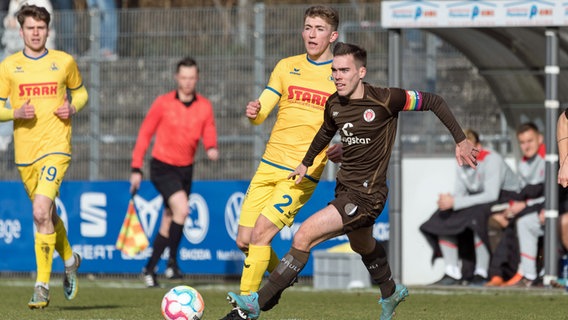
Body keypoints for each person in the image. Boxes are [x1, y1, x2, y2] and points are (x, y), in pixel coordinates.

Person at [225, 42, 479, 320]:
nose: (338, 76)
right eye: (334, 70)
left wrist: (461, 140)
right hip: (345, 190)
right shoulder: (334, 103)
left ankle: (255, 304)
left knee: (303, 235)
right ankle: (390, 290)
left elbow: (433, 101)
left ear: (361, 72)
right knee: (362, 245)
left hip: (368, 195)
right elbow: (324, 132)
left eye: (344, 70)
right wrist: (306, 162)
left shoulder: (386, 99)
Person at [220, 5, 342, 320]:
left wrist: (343, 147)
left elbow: (352, 122)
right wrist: (254, 113)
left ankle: (244, 308)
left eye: (319, 29)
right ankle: (282, 275)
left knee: (261, 234)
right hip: (268, 165)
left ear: (333, 35)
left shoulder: (339, 76)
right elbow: (262, 112)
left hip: (301, 172)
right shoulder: (286, 66)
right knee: (244, 241)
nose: (312, 34)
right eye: (307, 27)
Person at [0, 4, 88, 309]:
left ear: (47, 30)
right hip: (26, 155)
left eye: (40, 28)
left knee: (40, 212)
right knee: (47, 216)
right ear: (20, 29)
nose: (35, 33)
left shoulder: (63, 62)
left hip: (56, 147)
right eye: (30, 28)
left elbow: (81, 92)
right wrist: (15, 112)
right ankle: (70, 259)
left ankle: (41, 285)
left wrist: (72, 107)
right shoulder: (9, 66)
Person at [129, 57, 219, 288]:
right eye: (184, 77)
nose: (188, 82)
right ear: (177, 78)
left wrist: (211, 147)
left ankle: (149, 268)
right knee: (182, 209)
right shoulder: (163, 103)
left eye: (192, 78)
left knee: (170, 218)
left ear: (196, 78)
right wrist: (136, 167)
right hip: (162, 166)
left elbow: (208, 128)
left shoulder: (204, 105)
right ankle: (171, 262)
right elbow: (145, 134)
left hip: (186, 168)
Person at [420, 129, 521, 286]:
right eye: (460, 148)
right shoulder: (460, 163)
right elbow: (460, 194)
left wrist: (455, 202)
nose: (464, 152)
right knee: (442, 216)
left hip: (506, 199)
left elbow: (491, 195)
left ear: (478, 147)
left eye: (468, 148)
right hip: (480, 202)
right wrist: (449, 201)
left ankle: (481, 272)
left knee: (476, 218)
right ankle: (451, 271)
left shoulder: (492, 159)